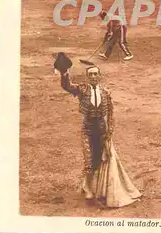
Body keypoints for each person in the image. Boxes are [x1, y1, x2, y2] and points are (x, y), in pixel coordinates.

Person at [56, 58, 141, 207]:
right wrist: (64, 73)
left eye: (96, 74)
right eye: (91, 75)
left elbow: (111, 114)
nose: (94, 77)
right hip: (87, 129)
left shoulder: (106, 92)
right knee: (89, 162)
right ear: (88, 77)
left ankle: (96, 187)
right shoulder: (82, 89)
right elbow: (67, 86)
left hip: (101, 130)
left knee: (99, 160)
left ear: (100, 76)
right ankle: (88, 188)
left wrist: (110, 133)